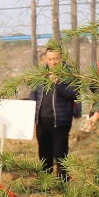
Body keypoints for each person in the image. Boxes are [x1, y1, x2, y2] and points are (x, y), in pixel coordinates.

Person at [31, 46, 79, 178]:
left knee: (60, 153)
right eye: (50, 59)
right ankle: (46, 181)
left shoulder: (70, 74)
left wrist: (58, 85)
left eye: (56, 59)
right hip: (41, 120)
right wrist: (32, 111)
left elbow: (75, 94)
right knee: (44, 152)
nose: (53, 62)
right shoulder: (40, 73)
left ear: (62, 58)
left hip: (60, 121)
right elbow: (33, 92)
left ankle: (63, 182)